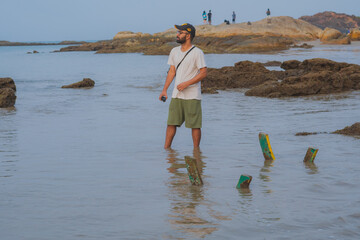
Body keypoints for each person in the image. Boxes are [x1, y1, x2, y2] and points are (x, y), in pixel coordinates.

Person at [159, 23, 207, 149]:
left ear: (188, 35)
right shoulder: (174, 51)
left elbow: (203, 73)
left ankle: (196, 152)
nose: (177, 35)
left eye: (180, 33)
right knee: (171, 123)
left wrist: (187, 83)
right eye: (178, 32)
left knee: (195, 125)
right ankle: (166, 151)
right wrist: (164, 90)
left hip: (192, 95)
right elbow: (172, 72)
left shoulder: (197, 52)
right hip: (177, 95)